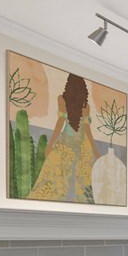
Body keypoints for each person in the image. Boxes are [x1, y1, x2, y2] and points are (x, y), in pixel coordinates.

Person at [28, 73, 100, 202]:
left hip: (70, 143)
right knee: (74, 178)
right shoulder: (84, 106)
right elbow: (87, 130)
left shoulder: (63, 100)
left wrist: (50, 144)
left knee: (59, 175)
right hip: (80, 144)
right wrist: (95, 151)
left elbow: (61, 122)